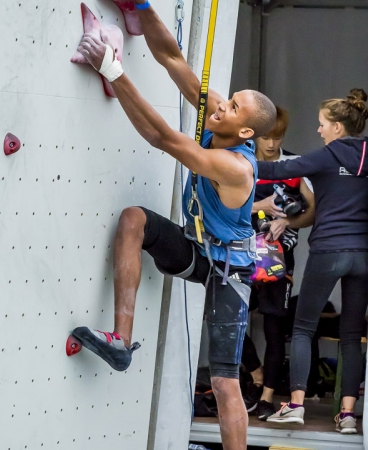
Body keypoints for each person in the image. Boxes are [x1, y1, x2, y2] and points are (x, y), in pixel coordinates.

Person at [70, 2, 276, 448]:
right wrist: (142, 7)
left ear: (245, 133)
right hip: (197, 248)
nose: (221, 106)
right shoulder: (219, 116)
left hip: (230, 271)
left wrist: (114, 71)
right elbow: (172, 57)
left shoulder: (233, 167)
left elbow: (163, 138)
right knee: (133, 221)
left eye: (233, 107)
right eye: (228, 98)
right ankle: (122, 343)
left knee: (224, 384)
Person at [257, 88, 368, 434]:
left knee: (304, 328)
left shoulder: (327, 155)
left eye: (322, 124)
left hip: (328, 252)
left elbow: (277, 169)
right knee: (351, 335)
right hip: (363, 256)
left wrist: (231, 159)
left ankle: (296, 405)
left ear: (337, 127)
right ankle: (348, 415)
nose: (318, 130)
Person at [240, 106, 315, 420]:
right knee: (226, 316)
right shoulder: (241, 162)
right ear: (254, 135)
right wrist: (263, 206)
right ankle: (255, 372)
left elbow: (312, 212)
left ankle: (268, 396)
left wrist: (290, 222)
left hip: (278, 260)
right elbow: (228, 206)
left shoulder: (295, 164)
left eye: (278, 137)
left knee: (274, 328)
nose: (271, 144)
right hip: (240, 254)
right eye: (266, 138)